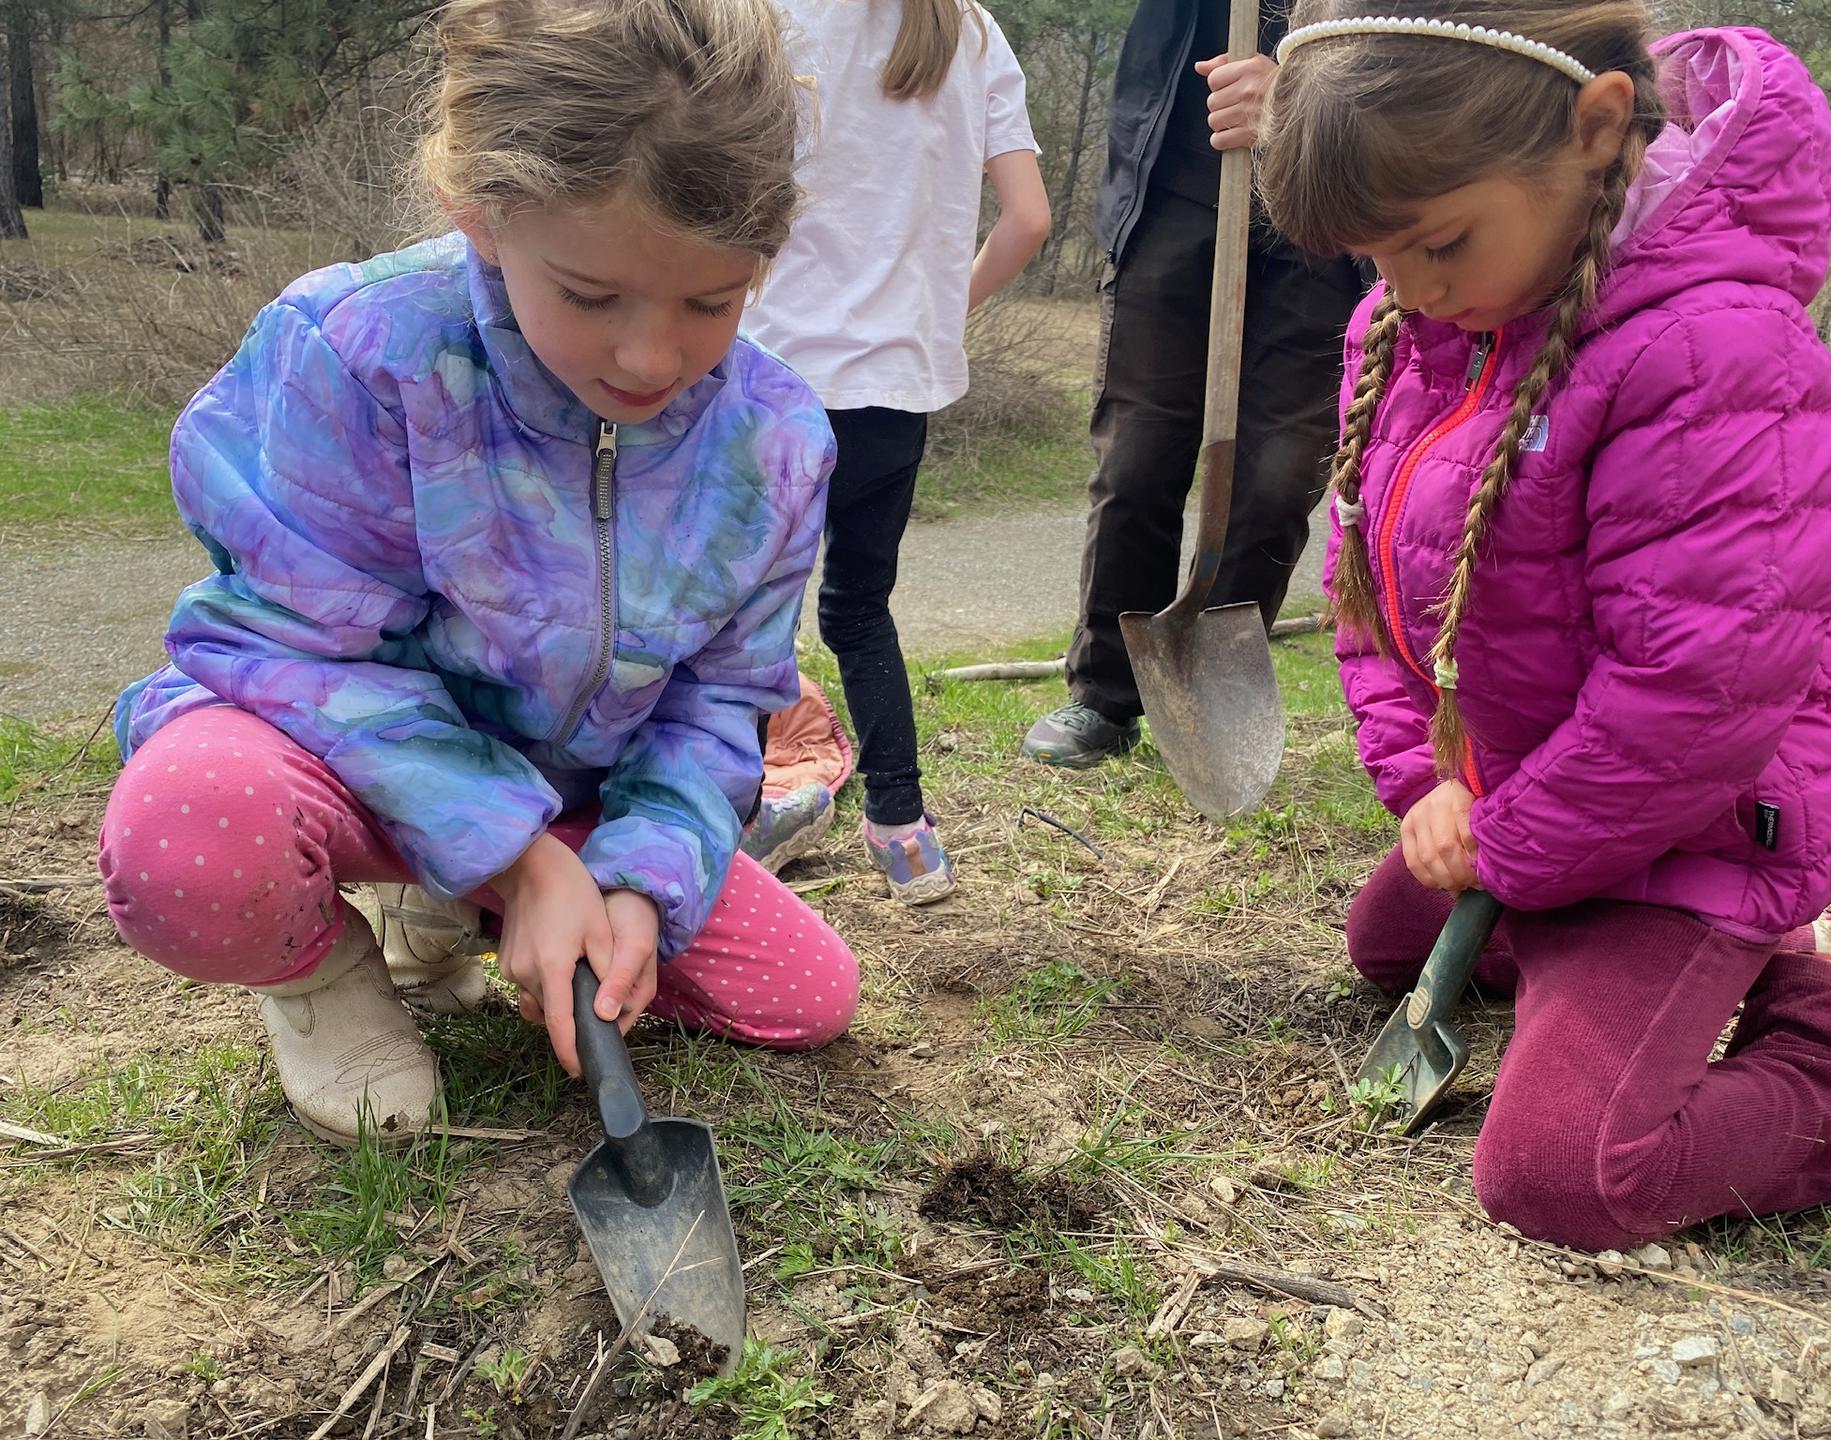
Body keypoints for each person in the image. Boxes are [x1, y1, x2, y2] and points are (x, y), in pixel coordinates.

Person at [95, 0, 860, 1148]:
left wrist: (635, 883)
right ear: (478, 214)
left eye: (712, 300)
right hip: (347, 770)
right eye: (593, 297)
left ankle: (458, 905)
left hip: (578, 799)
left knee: (808, 1000)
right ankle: (323, 973)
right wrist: (514, 854)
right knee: (191, 840)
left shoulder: (776, 442)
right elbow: (289, 646)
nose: (652, 356)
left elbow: (718, 705)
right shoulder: (358, 354)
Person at [1256, 0, 1831, 1249]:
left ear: (1596, 128)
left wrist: (1508, 847)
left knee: (1563, 1173)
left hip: (1693, 825)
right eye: (1374, 258)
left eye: (1438, 243)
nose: (1405, 288)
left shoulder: (1720, 353)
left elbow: (1690, 706)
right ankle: (1595, 959)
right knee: (1383, 945)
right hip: (1537, 808)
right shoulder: (1416, 329)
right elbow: (1375, 606)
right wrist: (1426, 786)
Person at [742, 0, 1049, 903]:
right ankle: (905, 836)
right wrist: (932, 317)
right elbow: (1027, 218)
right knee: (858, 608)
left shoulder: (767, 17)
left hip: (768, 373)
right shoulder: (974, 30)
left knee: (744, 615)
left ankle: (728, 817)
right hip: (895, 389)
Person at [1020, 0, 1364, 769]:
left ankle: (1212, 702)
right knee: (1139, 457)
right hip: (1176, 186)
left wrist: (1302, 93)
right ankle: (1105, 696)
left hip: (1329, 211)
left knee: (1277, 483)